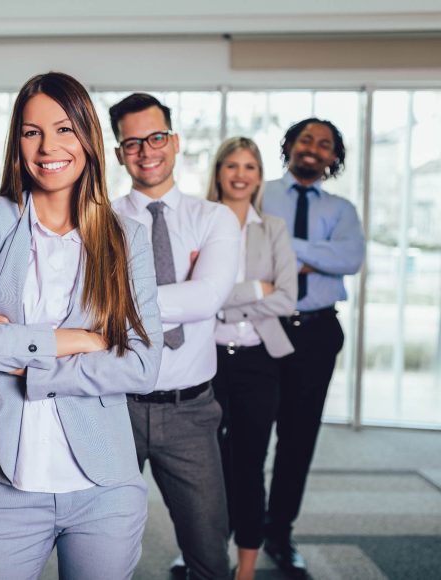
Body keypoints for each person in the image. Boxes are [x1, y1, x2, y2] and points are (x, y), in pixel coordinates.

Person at [0, 72, 163, 580]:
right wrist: (79, 341)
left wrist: (29, 365)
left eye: (64, 129)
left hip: (104, 484)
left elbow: (143, 365)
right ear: (17, 143)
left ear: (87, 137)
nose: (48, 147)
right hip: (4, 481)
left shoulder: (127, 237)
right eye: (31, 131)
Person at [110, 93, 238, 580]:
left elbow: (206, 299)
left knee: (209, 553)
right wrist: (177, 290)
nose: (147, 150)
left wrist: (122, 300)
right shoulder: (101, 221)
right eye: (133, 142)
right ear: (121, 152)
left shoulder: (213, 219)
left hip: (190, 412)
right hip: (112, 406)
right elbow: (87, 307)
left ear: (175, 141)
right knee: (97, 551)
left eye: (156, 137)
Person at [261, 118, 365, 576]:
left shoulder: (342, 209)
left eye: (325, 144)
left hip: (317, 333)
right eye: (307, 139)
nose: (314, 148)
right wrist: (313, 254)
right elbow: (248, 255)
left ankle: (279, 532)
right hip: (259, 328)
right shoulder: (259, 192)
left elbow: (351, 258)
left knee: (298, 439)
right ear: (290, 146)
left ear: (333, 158)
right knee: (243, 436)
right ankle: (220, 531)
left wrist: (286, 247)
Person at [206, 137, 297, 580]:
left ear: (259, 176)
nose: (240, 174)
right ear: (218, 172)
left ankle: (245, 569)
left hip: (260, 360)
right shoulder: (200, 221)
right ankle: (204, 554)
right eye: (232, 166)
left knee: (249, 462)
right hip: (207, 360)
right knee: (208, 467)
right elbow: (192, 295)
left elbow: (286, 299)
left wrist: (224, 301)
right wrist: (249, 292)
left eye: (250, 167)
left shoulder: (272, 227)